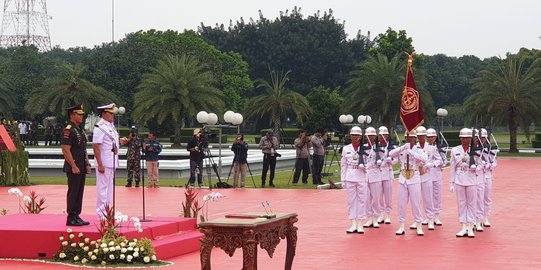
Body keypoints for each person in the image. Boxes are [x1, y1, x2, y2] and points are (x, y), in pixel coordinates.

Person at [389, 130, 427, 236]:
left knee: (416, 203)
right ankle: (401, 226)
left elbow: (425, 158)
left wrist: (412, 153)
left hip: (414, 177)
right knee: (401, 204)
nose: (409, 139)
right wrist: (402, 148)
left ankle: (419, 225)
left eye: (411, 138)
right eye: (407, 137)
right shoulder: (402, 148)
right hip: (403, 178)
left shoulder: (418, 149)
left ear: (415, 139)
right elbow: (391, 154)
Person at [93, 103, 128, 218]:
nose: (113, 115)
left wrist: (120, 142)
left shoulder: (110, 126)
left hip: (112, 161)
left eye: (113, 113)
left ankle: (109, 211)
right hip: (104, 162)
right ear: (104, 114)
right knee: (102, 188)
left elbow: (111, 144)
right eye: (110, 113)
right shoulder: (100, 127)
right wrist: (100, 164)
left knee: (109, 189)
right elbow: (96, 147)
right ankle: (101, 213)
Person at [61, 104, 91, 226]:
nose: (81, 116)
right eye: (79, 114)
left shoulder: (80, 129)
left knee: (80, 191)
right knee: (73, 191)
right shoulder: (68, 129)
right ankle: (70, 217)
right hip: (73, 166)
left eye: (82, 114)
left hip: (81, 165)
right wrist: (73, 165)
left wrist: (87, 163)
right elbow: (65, 149)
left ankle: (76, 214)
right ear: (72, 115)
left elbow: (83, 149)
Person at [450, 128, 480, 238]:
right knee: (461, 204)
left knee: (471, 204)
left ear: (470, 138)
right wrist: (451, 182)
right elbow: (452, 167)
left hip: (471, 179)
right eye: (462, 138)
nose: (464, 140)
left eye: (467, 138)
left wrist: (475, 167)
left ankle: (471, 227)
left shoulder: (476, 150)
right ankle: (463, 226)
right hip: (459, 179)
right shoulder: (455, 150)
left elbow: (481, 164)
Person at [341, 126, 367, 234]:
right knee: (351, 201)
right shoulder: (346, 148)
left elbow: (370, 163)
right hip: (350, 176)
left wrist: (364, 167)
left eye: (357, 135)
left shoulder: (365, 148)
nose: (354, 137)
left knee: (362, 200)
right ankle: (353, 223)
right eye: (353, 135)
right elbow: (343, 165)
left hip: (361, 175)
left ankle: (360, 223)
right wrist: (343, 180)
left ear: (361, 137)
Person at [411, 126, 438, 231]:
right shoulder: (414, 147)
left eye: (423, 136)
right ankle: (416, 219)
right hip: (416, 176)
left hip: (427, 175)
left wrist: (430, 165)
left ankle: (430, 219)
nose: (421, 138)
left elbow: (439, 160)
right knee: (416, 199)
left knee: (428, 198)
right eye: (419, 136)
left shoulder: (432, 147)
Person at [362, 127, 383, 229]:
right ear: (366, 137)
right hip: (365, 174)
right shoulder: (363, 147)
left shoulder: (379, 147)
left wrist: (380, 163)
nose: (370, 137)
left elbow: (384, 160)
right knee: (366, 198)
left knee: (375, 198)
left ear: (375, 136)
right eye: (368, 136)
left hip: (375, 174)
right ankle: (369, 217)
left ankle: (375, 217)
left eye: (372, 136)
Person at [426, 128, 447, 226]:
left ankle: (436, 216)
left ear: (435, 137)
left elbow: (444, 161)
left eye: (432, 137)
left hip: (437, 174)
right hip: (426, 174)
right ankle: (428, 216)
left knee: (437, 195)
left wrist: (434, 163)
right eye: (428, 137)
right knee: (427, 196)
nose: (430, 139)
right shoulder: (423, 147)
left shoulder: (440, 148)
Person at [378, 126, 397, 224]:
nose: (382, 137)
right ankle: (381, 214)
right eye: (381, 135)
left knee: (388, 196)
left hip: (388, 172)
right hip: (378, 173)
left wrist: (391, 161)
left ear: (387, 135)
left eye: (384, 135)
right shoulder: (375, 146)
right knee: (379, 195)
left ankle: (388, 214)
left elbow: (396, 160)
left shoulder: (392, 146)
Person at [480, 128, 497, 227]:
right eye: (480, 137)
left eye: (483, 137)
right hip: (477, 176)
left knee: (487, 197)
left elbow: (495, 162)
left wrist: (490, 165)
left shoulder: (490, 148)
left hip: (487, 175)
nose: (482, 139)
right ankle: (477, 218)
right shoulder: (474, 148)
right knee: (477, 198)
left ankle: (485, 217)